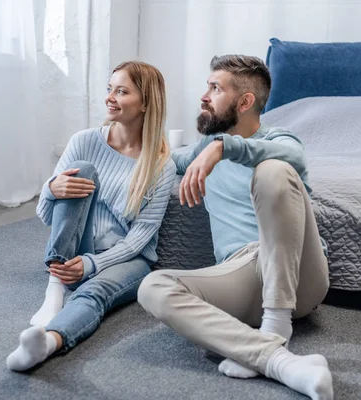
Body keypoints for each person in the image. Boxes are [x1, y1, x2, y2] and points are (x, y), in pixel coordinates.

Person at [137, 55, 333, 399]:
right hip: (242, 274)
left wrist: (223, 148)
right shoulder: (204, 147)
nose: (203, 95)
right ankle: (274, 358)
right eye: (207, 86)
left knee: (273, 171)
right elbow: (162, 159)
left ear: (244, 102)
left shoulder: (280, 138)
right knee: (153, 287)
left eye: (215, 88)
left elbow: (295, 160)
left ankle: (275, 325)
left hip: (299, 274)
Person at [6, 61, 176, 372]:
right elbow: (45, 215)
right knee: (82, 171)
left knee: (94, 292)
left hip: (129, 259)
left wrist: (93, 264)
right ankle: (55, 285)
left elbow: (140, 237)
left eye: (122, 91)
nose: (110, 97)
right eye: (110, 89)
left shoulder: (161, 165)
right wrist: (51, 189)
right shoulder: (84, 141)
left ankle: (49, 342)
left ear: (146, 102)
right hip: (76, 247)